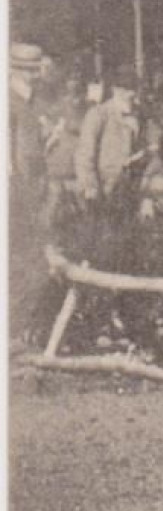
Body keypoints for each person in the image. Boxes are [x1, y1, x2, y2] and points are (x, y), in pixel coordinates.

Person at [10, 45, 54, 346]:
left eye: (35, 70)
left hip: (36, 188)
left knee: (36, 259)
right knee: (21, 259)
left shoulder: (32, 102)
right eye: (29, 70)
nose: (34, 76)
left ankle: (25, 330)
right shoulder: (10, 102)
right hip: (16, 191)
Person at [74, 68, 144, 212]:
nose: (130, 94)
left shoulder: (138, 115)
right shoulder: (99, 114)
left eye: (133, 89)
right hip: (104, 186)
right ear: (115, 90)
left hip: (131, 187)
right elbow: (85, 153)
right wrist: (90, 186)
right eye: (124, 89)